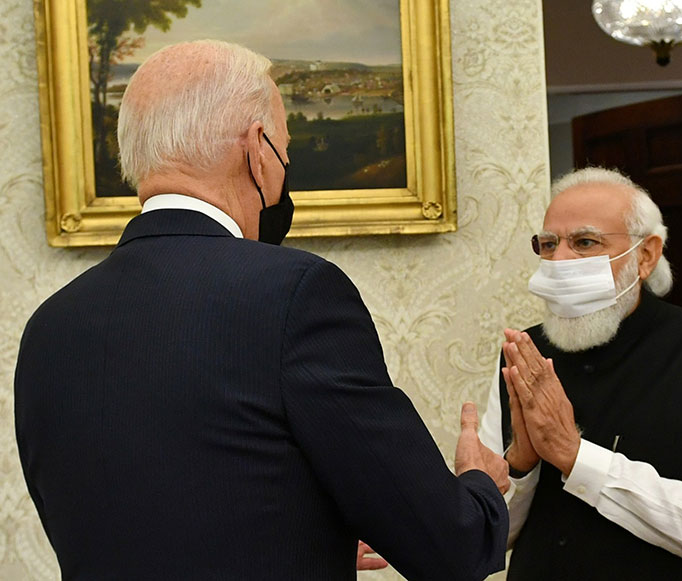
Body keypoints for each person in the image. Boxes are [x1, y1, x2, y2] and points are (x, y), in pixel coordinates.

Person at [15, 40, 509, 581]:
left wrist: (309, 535)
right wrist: (480, 484)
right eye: (284, 150)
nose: (284, 167)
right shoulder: (296, 294)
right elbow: (449, 547)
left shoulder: (49, 326)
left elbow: (155, 516)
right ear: (257, 149)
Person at [479, 167, 682, 580]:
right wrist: (520, 465)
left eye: (585, 242)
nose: (560, 260)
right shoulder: (523, 353)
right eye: (549, 244)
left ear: (645, 256)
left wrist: (576, 457)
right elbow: (487, 537)